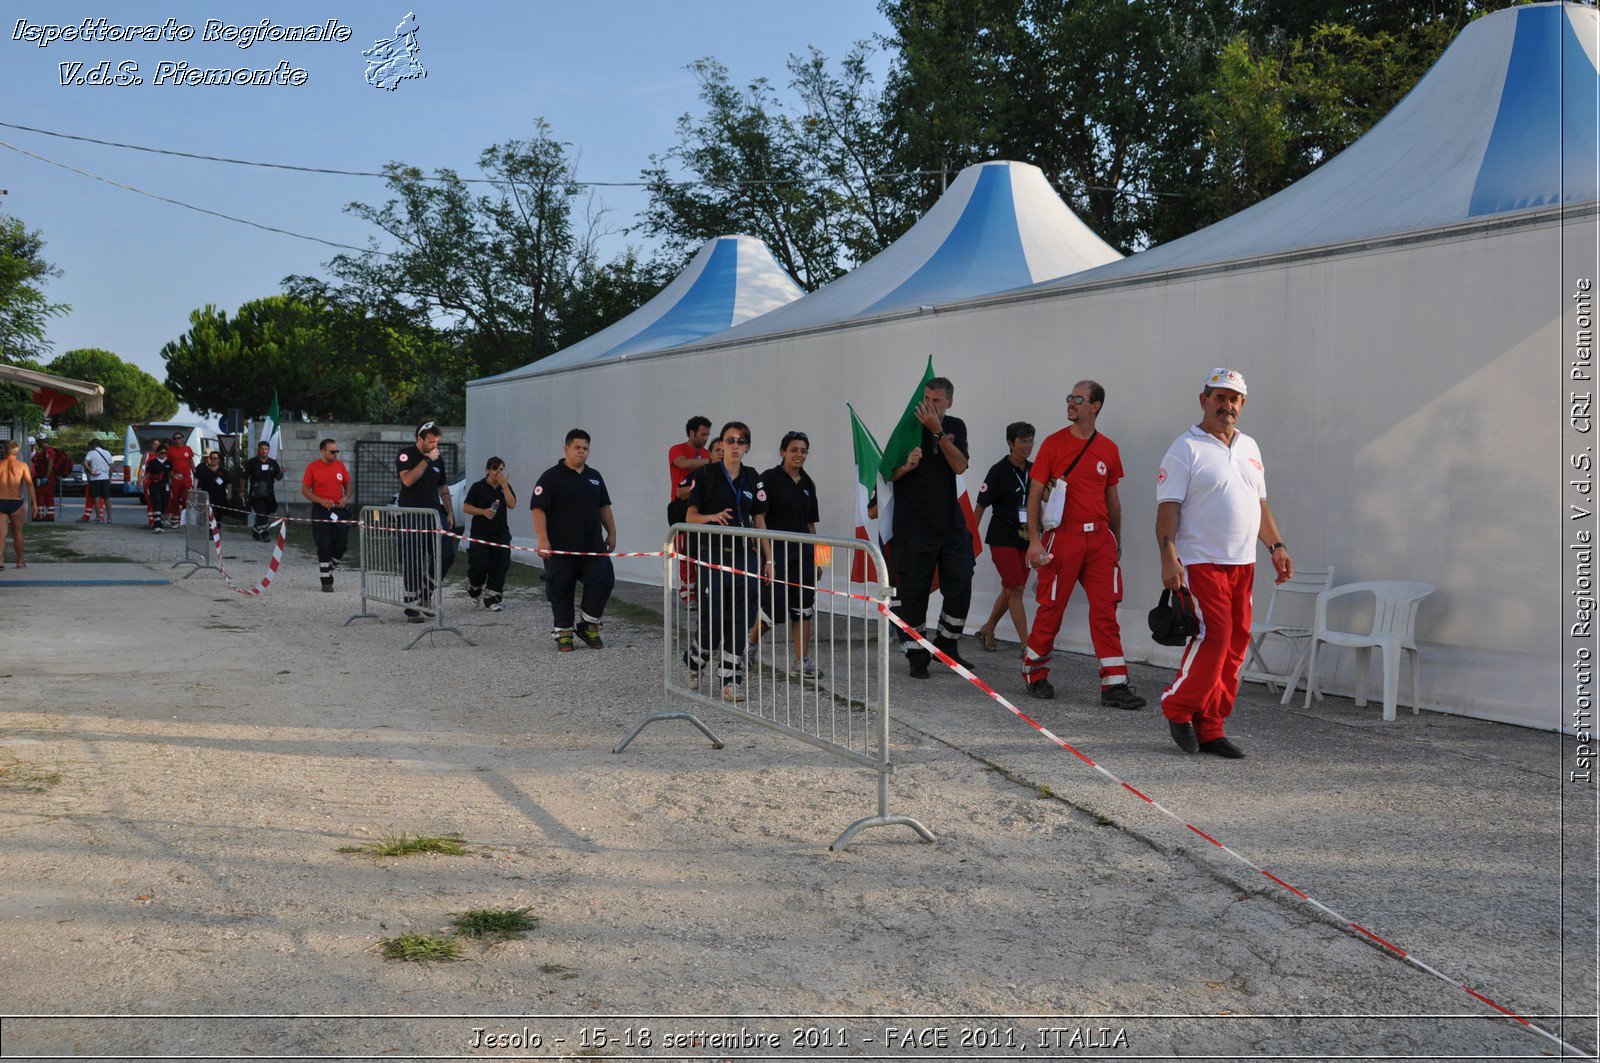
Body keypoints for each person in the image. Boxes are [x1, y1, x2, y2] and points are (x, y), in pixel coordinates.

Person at [1155, 368, 1294, 759]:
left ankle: (1211, 726)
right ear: (1204, 400)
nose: (1226, 405)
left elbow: (1259, 504)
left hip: (1243, 563)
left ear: (1242, 405)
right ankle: (1178, 707)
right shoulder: (1185, 448)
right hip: (1201, 561)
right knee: (1214, 638)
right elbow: (1168, 509)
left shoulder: (1250, 446)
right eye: (1219, 397)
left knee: (1235, 645)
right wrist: (1169, 556)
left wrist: (1277, 546)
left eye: (1234, 399)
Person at [1023, 381, 1146, 710]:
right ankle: (1035, 673)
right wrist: (1035, 540)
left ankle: (1115, 684)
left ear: (1096, 406)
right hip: (1062, 538)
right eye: (1069, 398)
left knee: (1106, 610)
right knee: (1052, 607)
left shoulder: (1108, 448)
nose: (1071, 404)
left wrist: (1116, 541)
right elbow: (1034, 494)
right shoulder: (1053, 444)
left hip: (1100, 541)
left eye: (1079, 399)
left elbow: (1113, 500)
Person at [887, 376, 974, 678]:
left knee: (962, 580)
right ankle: (916, 654)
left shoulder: (955, 427)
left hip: (950, 524)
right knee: (914, 593)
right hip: (913, 527)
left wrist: (938, 432)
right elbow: (886, 474)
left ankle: (947, 644)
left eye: (936, 401)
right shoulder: (907, 426)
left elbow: (960, 465)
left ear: (949, 401)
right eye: (927, 399)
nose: (930, 406)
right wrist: (906, 467)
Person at [684, 421, 772, 700]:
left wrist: (768, 560)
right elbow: (690, 517)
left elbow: (760, 521)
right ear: (721, 444)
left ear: (747, 447)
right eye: (730, 440)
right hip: (712, 555)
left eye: (741, 441)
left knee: (741, 618)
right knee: (714, 618)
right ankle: (695, 660)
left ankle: (731, 678)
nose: (735, 446)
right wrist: (712, 518)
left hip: (744, 556)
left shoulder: (752, 476)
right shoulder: (706, 474)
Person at [532, 429, 617, 651]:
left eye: (585, 448)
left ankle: (588, 625)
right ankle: (564, 632)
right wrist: (543, 540)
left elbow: (604, 506)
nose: (582, 452)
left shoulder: (595, 477)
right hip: (560, 548)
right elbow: (538, 509)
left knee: (603, 579)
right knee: (560, 587)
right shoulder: (551, 477)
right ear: (566, 448)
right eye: (577, 447)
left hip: (592, 546)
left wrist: (612, 532)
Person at [754, 431, 822, 676]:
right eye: (794, 450)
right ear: (782, 452)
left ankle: (801, 661)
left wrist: (820, 560)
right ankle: (748, 647)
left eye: (803, 451)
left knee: (803, 608)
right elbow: (759, 518)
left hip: (803, 556)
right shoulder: (768, 479)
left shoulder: (808, 484)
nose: (799, 455)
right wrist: (767, 558)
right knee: (772, 609)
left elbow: (812, 525)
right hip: (776, 555)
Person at [973, 422, 1036, 654]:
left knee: (1011, 588)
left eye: (1030, 440)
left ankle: (988, 628)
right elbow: (980, 505)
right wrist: (970, 538)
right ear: (1011, 443)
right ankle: (1027, 645)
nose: (1028, 446)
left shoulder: (1034, 469)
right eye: (1023, 441)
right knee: (1016, 589)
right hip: (1002, 537)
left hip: (1027, 539)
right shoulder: (998, 471)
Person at [395, 421, 458, 621]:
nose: (434, 446)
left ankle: (426, 591)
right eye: (431, 442)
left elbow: (443, 487)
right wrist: (426, 460)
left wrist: (449, 512)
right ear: (419, 439)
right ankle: (411, 606)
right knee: (413, 558)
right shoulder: (406, 454)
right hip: (411, 515)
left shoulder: (438, 459)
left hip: (433, 513)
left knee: (447, 554)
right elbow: (407, 480)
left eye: (437, 442)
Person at [668, 416, 713, 604]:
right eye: (703, 434)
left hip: (701, 507)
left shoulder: (706, 453)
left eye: (708, 435)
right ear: (692, 432)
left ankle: (699, 588)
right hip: (680, 505)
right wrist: (711, 460)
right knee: (684, 548)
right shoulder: (677, 449)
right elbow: (683, 463)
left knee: (700, 548)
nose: (705, 438)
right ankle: (687, 590)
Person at [463, 456, 517, 611]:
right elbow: (466, 507)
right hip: (480, 532)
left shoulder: (504, 486)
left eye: (500, 469)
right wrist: (482, 511)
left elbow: (512, 504)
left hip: (500, 533)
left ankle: (492, 598)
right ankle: (474, 588)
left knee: (501, 564)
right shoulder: (478, 487)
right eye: (495, 469)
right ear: (488, 470)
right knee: (479, 564)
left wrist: (505, 486)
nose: (498, 473)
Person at [300, 438, 353, 592]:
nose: (336, 454)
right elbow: (305, 491)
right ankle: (326, 581)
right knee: (324, 545)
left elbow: (348, 487)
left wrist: (345, 498)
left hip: (339, 510)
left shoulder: (340, 466)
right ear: (323, 451)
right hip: (321, 510)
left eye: (337, 451)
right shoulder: (313, 467)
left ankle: (329, 567)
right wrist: (321, 501)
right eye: (332, 451)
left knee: (342, 544)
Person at [0, 439, 38, 568]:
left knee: (1, 534)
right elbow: (29, 484)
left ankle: (0, 560)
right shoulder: (22, 465)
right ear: (17, 451)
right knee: (18, 533)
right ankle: (20, 561)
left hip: (1, 501)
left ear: (4, 451)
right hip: (16, 502)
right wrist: (35, 504)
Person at [244, 441, 283, 541]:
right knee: (261, 512)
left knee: (267, 513)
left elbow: (278, 477)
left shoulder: (273, 463)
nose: (264, 451)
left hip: (269, 493)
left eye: (266, 449)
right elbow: (244, 477)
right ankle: (265, 533)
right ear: (258, 450)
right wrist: (242, 491)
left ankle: (256, 531)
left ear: (268, 450)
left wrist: (281, 472)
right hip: (256, 493)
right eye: (262, 449)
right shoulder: (252, 462)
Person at [80, 438, 114, 523]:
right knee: (107, 498)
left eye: (91, 445)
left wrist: (91, 471)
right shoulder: (107, 453)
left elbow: (85, 463)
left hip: (95, 478)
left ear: (93, 445)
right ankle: (110, 518)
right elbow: (111, 467)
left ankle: (98, 518)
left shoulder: (91, 453)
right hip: (105, 478)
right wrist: (109, 478)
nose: (90, 447)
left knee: (97, 498)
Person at [165, 431, 195, 528]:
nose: (177, 440)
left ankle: (185, 521)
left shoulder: (188, 449)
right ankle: (175, 521)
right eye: (175, 438)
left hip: (186, 478)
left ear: (182, 438)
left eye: (179, 438)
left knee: (187, 500)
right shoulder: (170, 450)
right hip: (176, 479)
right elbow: (167, 465)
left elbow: (191, 462)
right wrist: (172, 477)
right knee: (175, 500)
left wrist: (196, 474)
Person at [142, 443, 173, 534]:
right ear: (157, 453)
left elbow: (171, 474)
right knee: (157, 503)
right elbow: (147, 474)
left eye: (165, 453)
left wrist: (176, 477)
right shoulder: (152, 463)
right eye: (161, 452)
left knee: (164, 504)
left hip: (165, 486)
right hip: (155, 485)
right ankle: (157, 524)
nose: (163, 454)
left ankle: (160, 520)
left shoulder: (168, 463)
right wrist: (143, 479)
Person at [29, 434, 56, 522]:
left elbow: (50, 463)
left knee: (39, 494)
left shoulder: (48, 451)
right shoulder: (44, 452)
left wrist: (46, 477)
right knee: (48, 496)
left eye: (38, 441)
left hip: (45, 477)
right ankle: (49, 515)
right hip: (45, 477)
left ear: (40, 441)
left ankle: (40, 515)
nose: (37, 443)